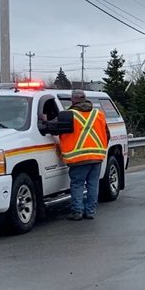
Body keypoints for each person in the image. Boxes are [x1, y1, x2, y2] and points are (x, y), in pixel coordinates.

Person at [59, 89, 109, 221]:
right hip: (97, 156)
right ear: (85, 98)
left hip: (78, 158)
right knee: (93, 184)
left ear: (72, 100)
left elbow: (56, 129)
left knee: (77, 184)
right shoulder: (98, 114)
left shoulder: (68, 115)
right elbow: (107, 134)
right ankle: (90, 211)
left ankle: (77, 212)